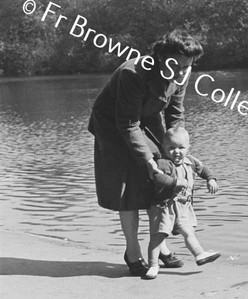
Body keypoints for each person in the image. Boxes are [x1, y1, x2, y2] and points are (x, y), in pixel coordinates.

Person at [88, 29, 204, 275]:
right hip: (113, 125)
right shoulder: (133, 73)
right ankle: (133, 252)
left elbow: (175, 112)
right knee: (128, 187)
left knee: (162, 176)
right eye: (179, 66)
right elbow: (127, 124)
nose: (183, 72)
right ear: (162, 58)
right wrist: (148, 160)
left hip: (146, 118)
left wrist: (176, 145)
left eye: (188, 66)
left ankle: (159, 247)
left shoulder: (183, 72)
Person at [144, 126, 221, 280]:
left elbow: (203, 169)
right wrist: (175, 182)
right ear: (164, 148)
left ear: (188, 148)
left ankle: (199, 254)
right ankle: (153, 265)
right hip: (164, 208)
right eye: (171, 148)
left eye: (181, 148)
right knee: (158, 237)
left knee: (188, 232)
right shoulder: (163, 163)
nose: (176, 152)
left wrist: (210, 179)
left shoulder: (190, 161)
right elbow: (158, 178)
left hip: (183, 207)